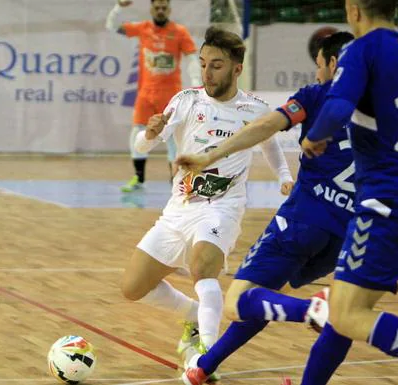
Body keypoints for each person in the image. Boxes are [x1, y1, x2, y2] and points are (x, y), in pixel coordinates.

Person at [176, 29, 398, 385]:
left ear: (335, 63)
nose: (317, 73)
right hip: (347, 230)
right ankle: (205, 366)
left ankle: (311, 314)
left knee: (241, 300)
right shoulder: (386, 106)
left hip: (303, 218)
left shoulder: (320, 96)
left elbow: (267, 124)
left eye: (320, 64)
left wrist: (212, 154)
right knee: (343, 316)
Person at [119, 26, 294, 376]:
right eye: (202, 64)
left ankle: (205, 357)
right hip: (178, 209)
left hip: (222, 207)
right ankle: (193, 315)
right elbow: (143, 146)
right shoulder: (185, 101)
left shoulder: (254, 109)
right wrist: (148, 134)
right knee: (133, 287)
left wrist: (285, 177)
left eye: (216, 65)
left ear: (236, 69)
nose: (206, 72)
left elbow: (270, 143)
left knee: (203, 268)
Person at [106, 0, 201, 191]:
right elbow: (112, 26)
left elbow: (192, 57)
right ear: (151, 9)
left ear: (169, 9)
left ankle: (175, 179)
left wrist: (196, 84)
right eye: (157, 7)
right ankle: (138, 179)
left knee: (174, 138)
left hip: (171, 96)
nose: (160, 11)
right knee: (138, 134)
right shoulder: (143, 28)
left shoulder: (179, 32)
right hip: (146, 94)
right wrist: (119, 8)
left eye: (163, 8)